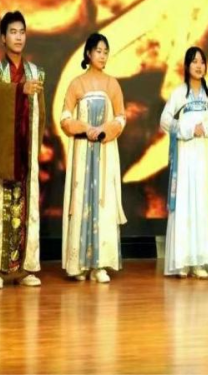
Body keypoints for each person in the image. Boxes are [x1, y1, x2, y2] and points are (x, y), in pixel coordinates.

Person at [0, 11, 46, 289]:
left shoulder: (36, 73)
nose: (18, 37)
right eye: (13, 32)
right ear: (3, 38)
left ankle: (26, 268)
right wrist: (20, 90)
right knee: (0, 208)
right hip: (4, 150)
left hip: (26, 150)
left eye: (22, 32)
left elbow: (41, 115)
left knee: (27, 208)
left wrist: (35, 146)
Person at [60, 32, 128, 283]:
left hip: (104, 151)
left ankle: (99, 264)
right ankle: (78, 264)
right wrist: (84, 128)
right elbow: (64, 117)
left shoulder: (112, 84)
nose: (102, 56)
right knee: (81, 200)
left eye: (105, 51)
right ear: (88, 53)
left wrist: (104, 131)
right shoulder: (76, 84)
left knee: (103, 201)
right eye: (98, 51)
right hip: (82, 152)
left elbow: (121, 117)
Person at [159, 47, 208, 278]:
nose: (199, 66)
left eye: (202, 61)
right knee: (185, 201)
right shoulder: (179, 93)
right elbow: (165, 120)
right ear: (186, 66)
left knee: (202, 203)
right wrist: (190, 129)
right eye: (194, 62)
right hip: (185, 157)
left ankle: (200, 261)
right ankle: (183, 261)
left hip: (204, 158)